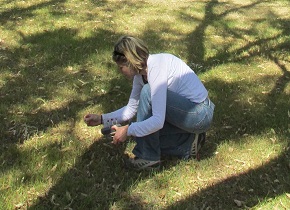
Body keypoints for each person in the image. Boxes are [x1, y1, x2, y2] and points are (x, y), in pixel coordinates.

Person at [84, 35, 215, 170]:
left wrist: (128, 129)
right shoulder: (140, 74)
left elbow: (158, 121)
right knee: (143, 134)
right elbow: (131, 108)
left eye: (121, 66)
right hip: (187, 114)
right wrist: (102, 119)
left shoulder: (156, 68)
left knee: (145, 107)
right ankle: (188, 144)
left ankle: (148, 157)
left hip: (200, 114)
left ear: (131, 62)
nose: (119, 71)